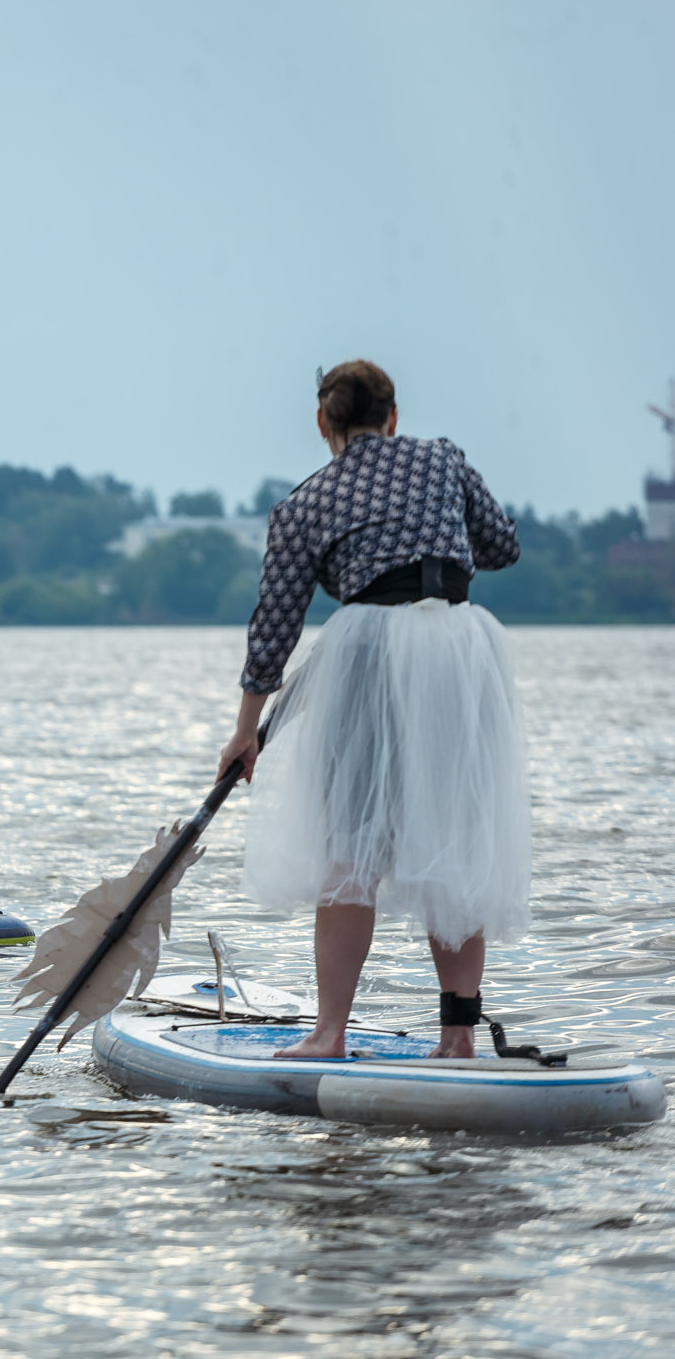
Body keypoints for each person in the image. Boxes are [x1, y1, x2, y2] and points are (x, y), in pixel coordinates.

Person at [215, 360, 529, 1060]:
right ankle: (457, 1039)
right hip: (457, 648)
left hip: (365, 653)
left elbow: (274, 625)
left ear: (324, 425)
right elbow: (503, 546)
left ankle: (329, 1034)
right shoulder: (444, 460)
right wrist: (432, 537)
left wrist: (245, 733)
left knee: (351, 848)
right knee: (455, 843)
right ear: (393, 415)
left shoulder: (304, 503)